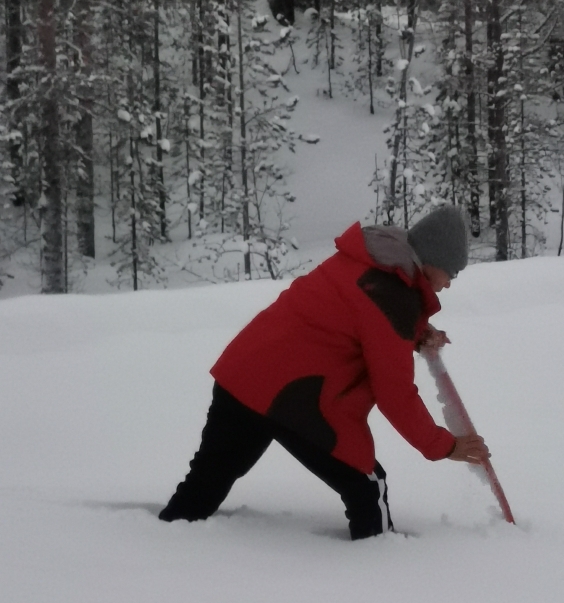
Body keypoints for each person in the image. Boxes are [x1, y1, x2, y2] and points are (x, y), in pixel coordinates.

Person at [159, 204, 490, 539]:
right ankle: (385, 570)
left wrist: (415, 333)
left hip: (243, 377)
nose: (448, 285)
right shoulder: (393, 297)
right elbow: (395, 393)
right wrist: (444, 446)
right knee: (367, 487)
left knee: (205, 484)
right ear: (431, 260)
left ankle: (158, 549)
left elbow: (351, 315)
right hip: (293, 400)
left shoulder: (372, 260)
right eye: (452, 273)